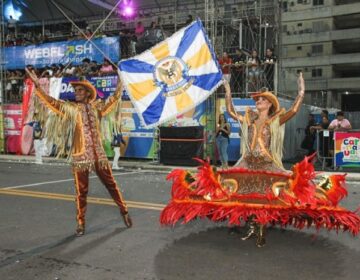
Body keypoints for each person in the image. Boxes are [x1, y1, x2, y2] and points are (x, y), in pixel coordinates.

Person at [25, 67, 132, 236]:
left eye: (80, 90)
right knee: (81, 192)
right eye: (76, 90)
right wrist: (37, 85)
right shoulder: (71, 109)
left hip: (99, 156)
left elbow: (113, 100)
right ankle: (81, 222)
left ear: (88, 93)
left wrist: (120, 81)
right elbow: (51, 102)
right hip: (81, 157)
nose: (76, 92)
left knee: (111, 185)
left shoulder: (97, 108)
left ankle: (124, 211)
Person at [223, 72, 305, 246]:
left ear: (269, 104)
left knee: (264, 198)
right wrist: (228, 90)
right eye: (257, 100)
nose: (257, 102)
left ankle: (261, 228)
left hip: (267, 165)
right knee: (247, 196)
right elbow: (230, 111)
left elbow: (294, 110)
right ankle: (251, 226)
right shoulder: (249, 120)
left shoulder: (275, 120)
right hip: (249, 163)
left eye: (261, 100)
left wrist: (301, 91)